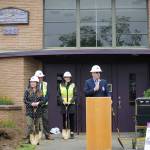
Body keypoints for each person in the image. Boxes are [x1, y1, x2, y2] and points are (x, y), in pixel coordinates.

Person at [24, 76, 44, 144]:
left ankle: (36, 139)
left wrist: (38, 103)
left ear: (37, 83)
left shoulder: (40, 91)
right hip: (29, 111)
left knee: (36, 126)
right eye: (31, 82)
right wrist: (31, 104)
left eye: (34, 82)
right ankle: (29, 139)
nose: (32, 83)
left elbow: (43, 100)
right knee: (30, 125)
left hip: (38, 111)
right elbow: (25, 100)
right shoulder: (27, 90)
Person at [57, 71, 77, 139]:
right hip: (63, 104)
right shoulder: (60, 85)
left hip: (71, 104)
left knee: (71, 118)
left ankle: (71, 132)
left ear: (70, 78)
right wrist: (62, 101)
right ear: (64, 78)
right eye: (66, 77)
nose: (67, 78)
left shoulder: (73, 85)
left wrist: (70, 101)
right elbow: (58, 95)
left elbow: (75, 95)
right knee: (64, 118)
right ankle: (65, 131)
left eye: (68, 77)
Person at [34, 70, 51, 140]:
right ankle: (36, 135)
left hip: (44, 105)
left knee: (46, 119)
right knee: (36, 120)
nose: (41, 78)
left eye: (42, 77)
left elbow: (47, 95)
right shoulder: (33, 85)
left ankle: (47, 135)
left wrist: (43, 102)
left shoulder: (45, 84)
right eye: (39, 77)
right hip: (36, 105)